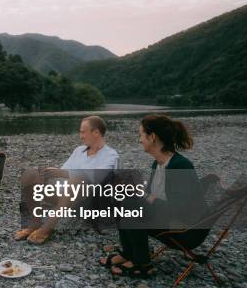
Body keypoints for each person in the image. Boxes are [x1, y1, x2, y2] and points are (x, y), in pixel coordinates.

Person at [100, 114, 209, 278]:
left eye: (141, 135)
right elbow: (151, 196)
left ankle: (142, 263)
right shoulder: (157, 163)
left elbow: (179, 210)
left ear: (152, 137)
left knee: (130, 205)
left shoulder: (180, 166)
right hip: (169, 219)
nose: (139, 140)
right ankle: (128, 253)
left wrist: (144, 196)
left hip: (187, 230)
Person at [16, 116, 119, 244]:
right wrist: (46, 174)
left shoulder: (111, 155)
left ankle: (47, 228)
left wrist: (66, 174)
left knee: (78, 179)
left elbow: (98, 178)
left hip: (91, 203)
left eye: (83, 132)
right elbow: (62, 176)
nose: (80, 136)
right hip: (68, 197)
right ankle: (35, 223)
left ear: (96, 132)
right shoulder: (79, 151)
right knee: (31, 173)